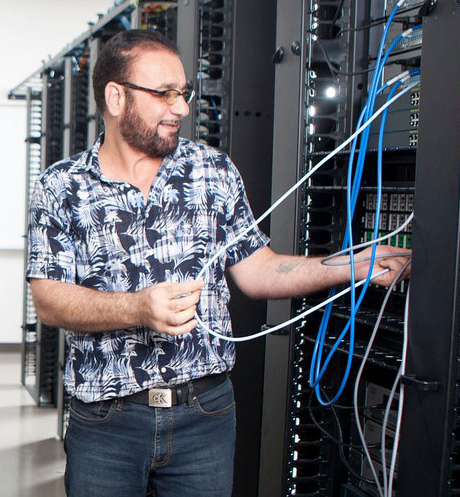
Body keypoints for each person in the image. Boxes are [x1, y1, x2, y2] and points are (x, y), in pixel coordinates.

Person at [25, 30, 410, 497]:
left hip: (203, 416)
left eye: (183, 93)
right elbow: (49, 300)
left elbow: (260, 270)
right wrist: (139, 309)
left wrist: (351, 266)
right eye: (164, 93)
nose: (181, 107)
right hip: (107, 420)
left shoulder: (212, 170)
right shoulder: (61, 186)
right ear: (115, 96)